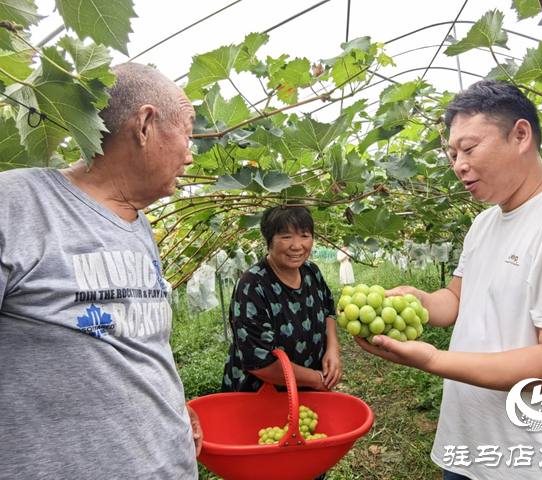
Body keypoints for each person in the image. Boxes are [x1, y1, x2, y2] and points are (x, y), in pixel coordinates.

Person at [354, 80, 542, 480]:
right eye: (452, 154)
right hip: (468, 450)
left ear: (521, 135)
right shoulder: (486, 222)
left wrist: (432, 359)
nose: (458, 165)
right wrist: (420, 300)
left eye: (469, 149)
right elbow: (457, 298)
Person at [0, 63, 202, 479]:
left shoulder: (137, 223)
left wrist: (171, 405)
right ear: (144, 125)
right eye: (188, 131)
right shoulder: (14, 206)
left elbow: (137, 339)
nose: (190, 151)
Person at [222, 205, 342, 394]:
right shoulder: (252, 286)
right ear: (268, 241)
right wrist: (317, 380)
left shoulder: (311, 272)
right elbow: (259, 363)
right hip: (264, 395)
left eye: (304, 235)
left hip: (308, 387)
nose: (297, 245)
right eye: (286, 237)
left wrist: (333, 350)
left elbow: (328, 311)